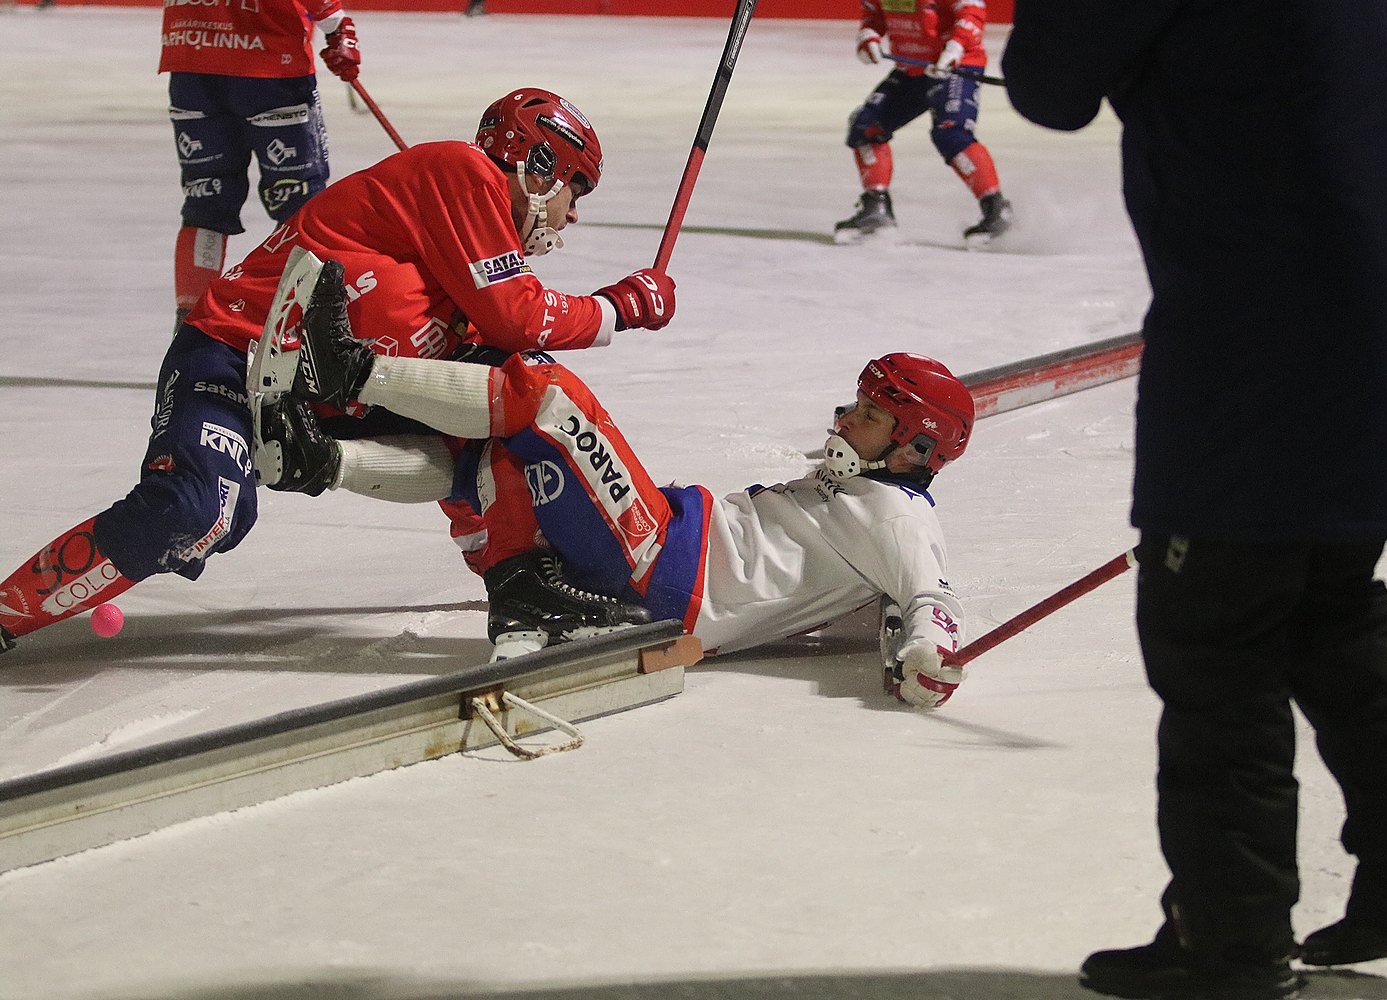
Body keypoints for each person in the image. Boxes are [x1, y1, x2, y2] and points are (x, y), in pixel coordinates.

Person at [1001, 2, 1387, 999]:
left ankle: (1229, 943)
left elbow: (1048, 83)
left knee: (1211, 620)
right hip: (1376, 288)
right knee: (1323, 593)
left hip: (1262, 322)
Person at [0, 89, 676, 656]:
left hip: (325, 393)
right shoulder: (463, 172)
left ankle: (519, 585)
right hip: (234, 355)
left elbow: (490, 364)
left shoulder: (459, 265)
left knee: (488, 401)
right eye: (575, 189)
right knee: (202, 512)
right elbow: (518, 315)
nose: (575, 214)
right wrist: (622, 306)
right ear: (539, 165)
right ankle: (7, 614)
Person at [254, 266, 974, 706]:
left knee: (544, 391)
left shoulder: (896, 514)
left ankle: (347, 370)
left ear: (916, 449)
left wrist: (927, 658)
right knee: (489, 444)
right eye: (855, 400)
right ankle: (317, 461)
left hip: (665, 567)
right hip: (663, 554)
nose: (846, 416)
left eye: (872, 415)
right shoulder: (863, 493)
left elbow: (932, 601)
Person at [161, 0, 363, 332]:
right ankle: (283, 325)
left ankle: (189, 329)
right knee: (299, 203)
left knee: (207, 197)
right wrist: (334, 21)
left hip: (190, 53)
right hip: (269, 64)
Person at [835, 0, 1012, 248]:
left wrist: (956, 47)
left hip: (955, 65)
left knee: (952, 133)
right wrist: (869, 36)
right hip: (912, 68)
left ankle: (997, 211)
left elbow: (972, 9)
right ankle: (876, 207)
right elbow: (874, 14)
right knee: (866, 127)